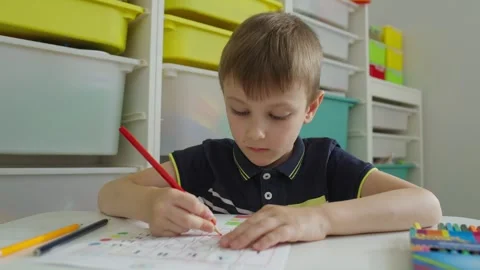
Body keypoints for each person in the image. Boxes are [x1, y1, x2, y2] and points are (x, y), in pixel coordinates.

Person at [98, 12, 442, 252]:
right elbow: (109, 195)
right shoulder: (208, 160)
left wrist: (319, 219)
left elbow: (426, 206)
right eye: (240, 110)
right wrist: (151, 203)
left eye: (278, 115)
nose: (256, 133)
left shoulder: (326, 161)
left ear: (310, 108)